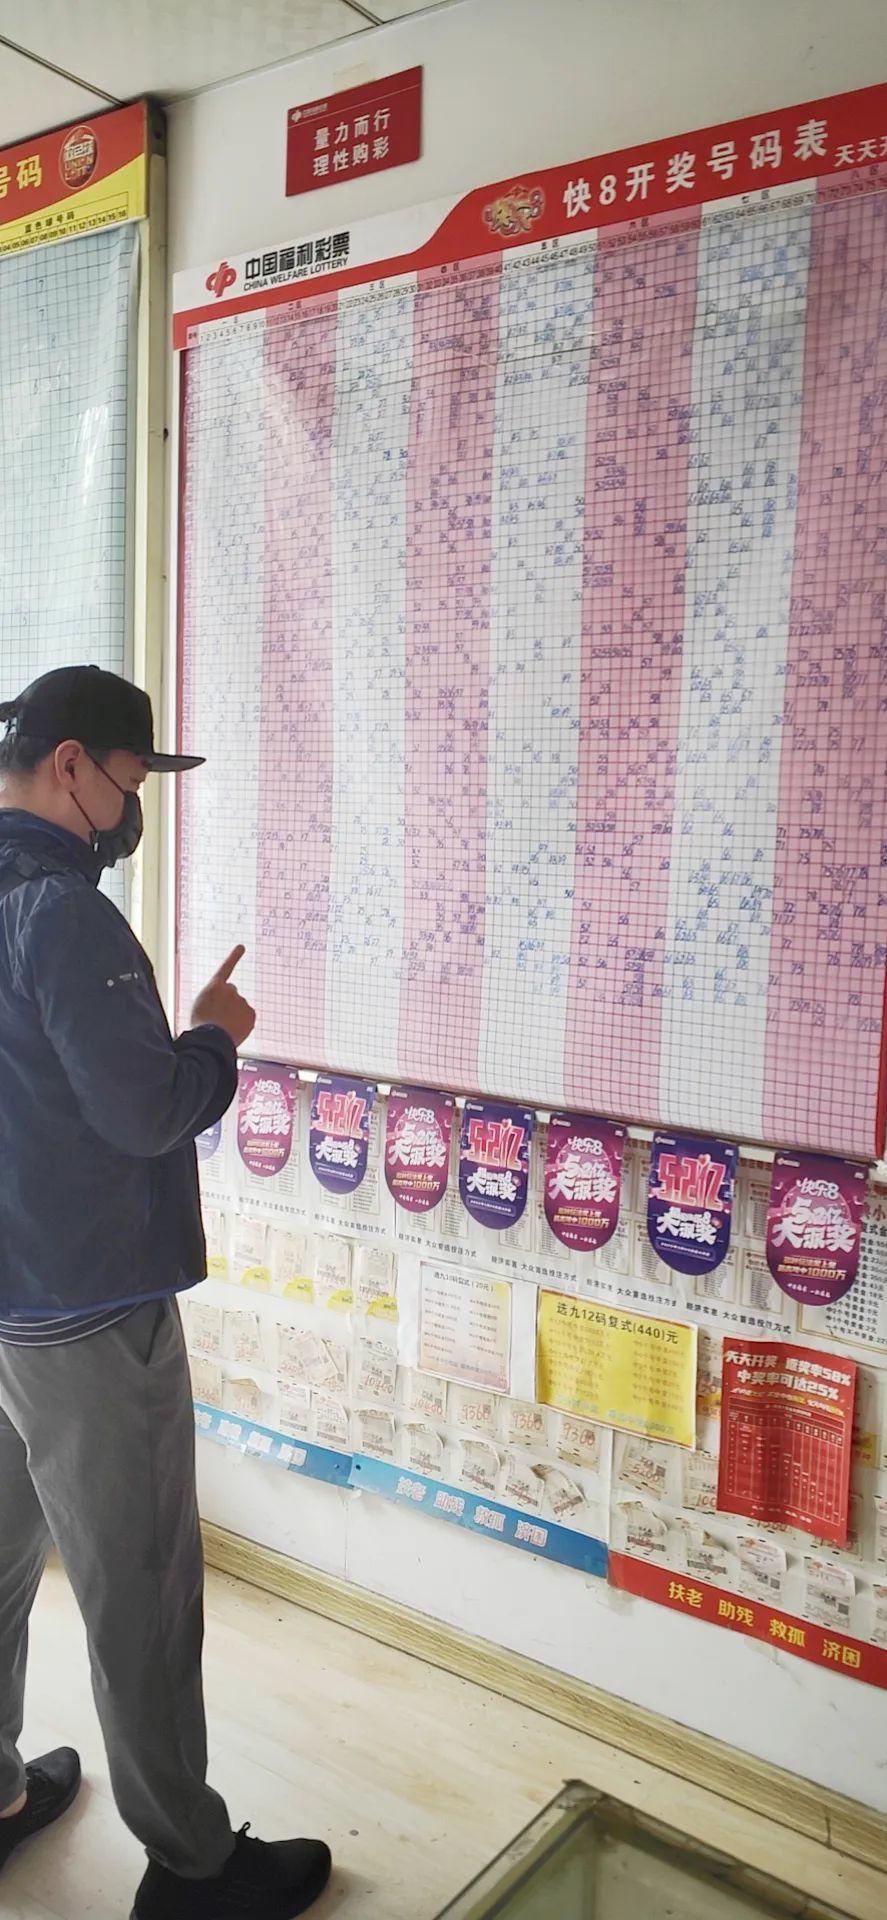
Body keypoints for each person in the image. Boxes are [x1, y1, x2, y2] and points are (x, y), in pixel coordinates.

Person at [0, 666, 332, 1920]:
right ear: (71, 764)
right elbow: (146, 1111)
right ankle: (193, 1868)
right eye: (131, 779)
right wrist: (213, 1035)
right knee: (138, 1589)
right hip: (86, 1310)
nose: (134, 808)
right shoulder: (61, 916)